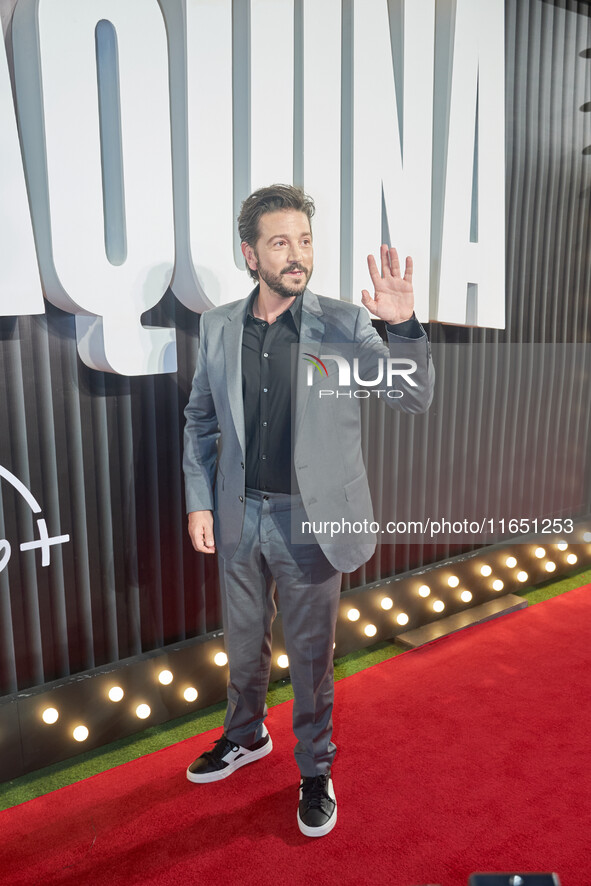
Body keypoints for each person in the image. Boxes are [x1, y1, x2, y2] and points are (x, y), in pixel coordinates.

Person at [183, 184, 434, 838]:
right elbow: (200, 423)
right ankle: (245, 737)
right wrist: (199, 502)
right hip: (240, 517)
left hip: (311, 522)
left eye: (304, 240)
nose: (296, 256)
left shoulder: (344, 324)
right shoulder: (216, 327)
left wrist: (402, 327)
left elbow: (409, 398)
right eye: (279, 243)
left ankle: (315, 770)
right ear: (249, 254)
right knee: (242, 650)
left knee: (311, 658)